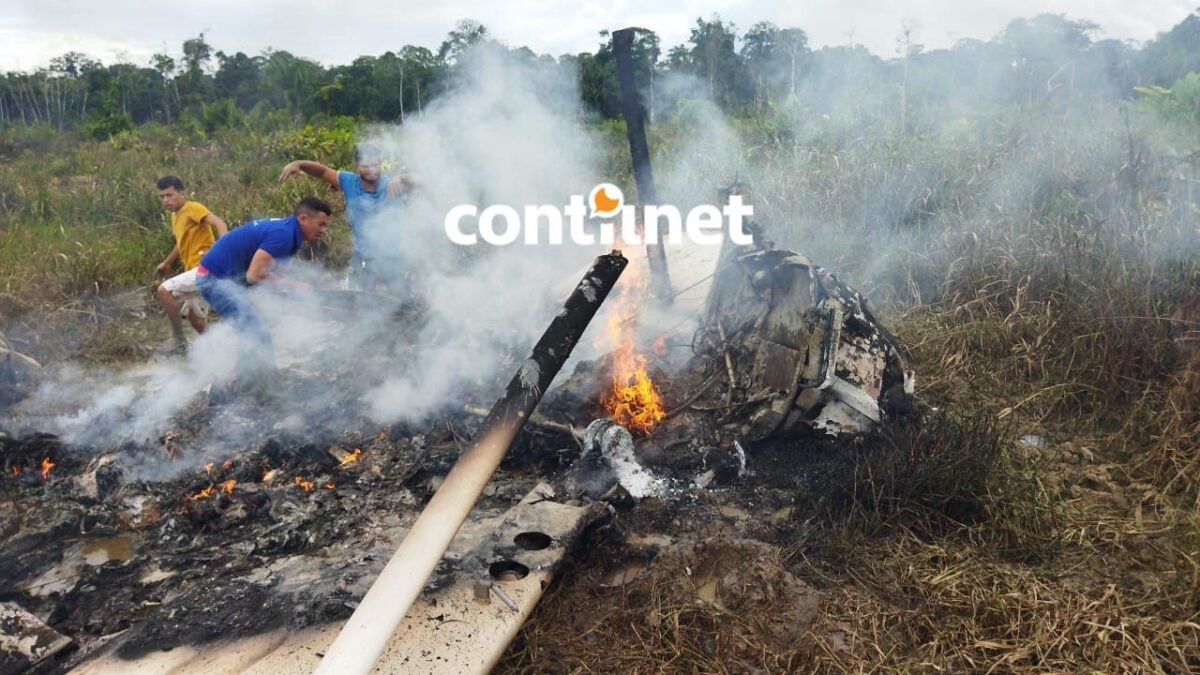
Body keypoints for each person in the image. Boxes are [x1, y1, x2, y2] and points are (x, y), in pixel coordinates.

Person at [196, 197, 332, 378]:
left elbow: (273, 271)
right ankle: (260, 382)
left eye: (326, 226)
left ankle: (246, 380)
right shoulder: (284, 235)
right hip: (215, 279)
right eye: (321, 225)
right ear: (303, 219)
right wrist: (294, 285)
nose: (323, 231)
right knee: (255, 332)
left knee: (249, 330)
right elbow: (254, 275)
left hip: (227, 278)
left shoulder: (290, 232)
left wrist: (294, 292)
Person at [278, 144, 417, 291]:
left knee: (401, 300)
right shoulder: (349, 182)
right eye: (365, 166)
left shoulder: (394, 184)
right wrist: (299, 164)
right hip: (362, 259)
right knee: (358, 299)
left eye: (374, 164)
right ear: (357, 166)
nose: (370, 169)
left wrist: (402, 177)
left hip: (393, 260)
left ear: (380, 163)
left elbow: (425, 180)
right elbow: (322, 171)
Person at [153, 175, 229, 353]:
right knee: (195, 319)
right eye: (162, 197)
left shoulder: (193, 208)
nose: (166, 200)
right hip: (194, 270)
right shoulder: (175, 216)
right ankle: (220, 352)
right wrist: (166, 263)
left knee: (164, 291)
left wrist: (222, 248)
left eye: (170, 195)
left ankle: (179, 341)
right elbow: (181, 242)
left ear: (182, 193)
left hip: (206, 269)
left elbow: (219, 223)